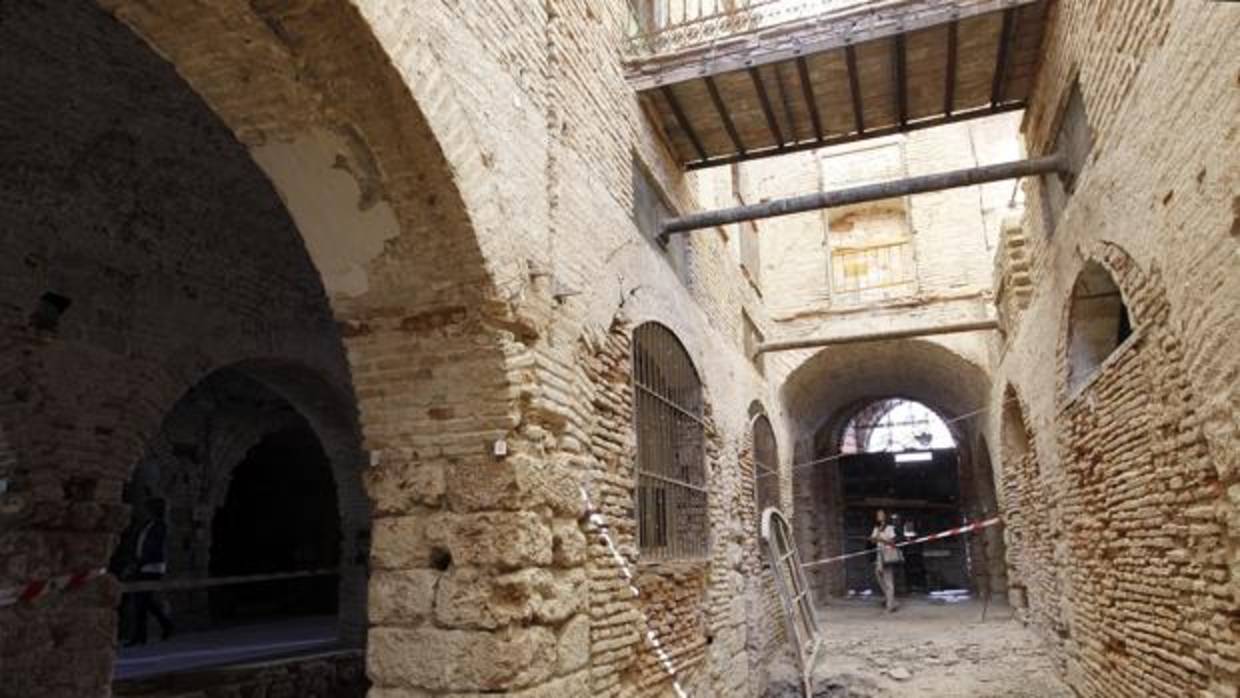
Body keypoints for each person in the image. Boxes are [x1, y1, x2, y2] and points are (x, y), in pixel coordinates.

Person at [126, 498, 174, 646]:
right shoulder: (148, 525)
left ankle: (141, 635)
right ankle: (164, 626)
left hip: (151, 567)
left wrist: (139, 564)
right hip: (144, 565)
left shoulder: (160, 526)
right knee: (144, 601)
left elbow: (153, 548)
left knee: (141, 601)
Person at [870, 509, 902, 612]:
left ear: (885, 516)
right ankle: (891, 600)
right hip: (879, 555)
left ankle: (890, 606)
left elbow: (892, 542)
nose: (879, 516)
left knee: (888, 580)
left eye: (881, 514)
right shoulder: (876, 528)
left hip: (887, 555)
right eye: (878, 514)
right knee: (879, 576)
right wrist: (874, 538)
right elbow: (873, 540)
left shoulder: (889, 528)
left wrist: (882, 540)